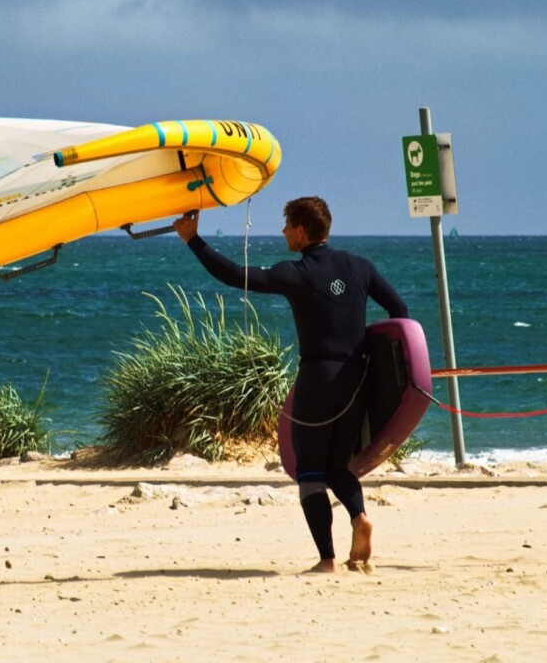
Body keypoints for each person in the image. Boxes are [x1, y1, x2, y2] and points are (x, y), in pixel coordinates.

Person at [173, 196, 408, 573]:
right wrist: (379, 365)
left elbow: (237, 275)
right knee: (338, 466)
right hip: (356, 379)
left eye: (286, 226)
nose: (283, 233)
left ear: (301, 230)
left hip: (318, 379)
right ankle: (358, 515)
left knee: (310, 470)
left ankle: (326, 560)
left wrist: (193, 240)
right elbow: (400, 313)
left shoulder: (295, 273)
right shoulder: (360, 266)